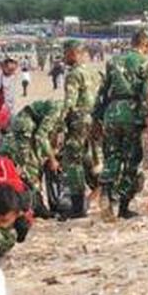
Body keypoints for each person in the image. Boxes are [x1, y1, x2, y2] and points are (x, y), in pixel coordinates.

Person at [92, 30, 148, 219]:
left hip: (112, 113)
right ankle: (123, 205)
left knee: (111, 156)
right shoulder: (146, 64)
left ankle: (105, 193)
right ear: (146, 45)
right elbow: (147, 95)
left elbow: (102, 91)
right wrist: (147, 120)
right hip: (132, 114)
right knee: (131, 160)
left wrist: (97, 116)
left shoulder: (113, 61)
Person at [60, 41, 104, 219]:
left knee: (73, 161)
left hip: (79, 120)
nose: (64, 58)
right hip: (94, 118)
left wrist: (60, 125)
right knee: (93, 157)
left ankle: (78, 206)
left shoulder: (74, 74)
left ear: (73, 53)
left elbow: (70, 102)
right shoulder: (95, 72)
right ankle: (103, 192)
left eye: (65, 54)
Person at [2, 99, 65, 219]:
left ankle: (35, 203)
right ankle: (36, 206)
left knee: (34, 163)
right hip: (26, 126)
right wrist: (52, 159)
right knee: (31, 166)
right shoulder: (57, 111)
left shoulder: (62, 112)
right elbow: (40, 136)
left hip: (28, 125)